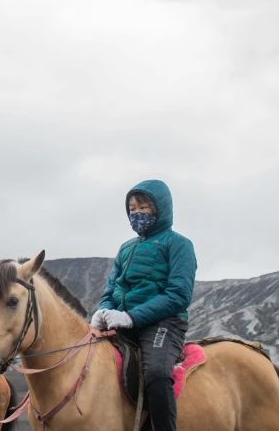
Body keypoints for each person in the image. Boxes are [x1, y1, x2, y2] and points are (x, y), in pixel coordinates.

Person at [91, 180, 197, 431]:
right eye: (131, 208)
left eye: (142, 207)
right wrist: (103, 311)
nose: (136, 213)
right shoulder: (126, 248)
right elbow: (112, 289)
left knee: (157, 375)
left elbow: (179, 295)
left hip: (164, 323)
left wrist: (131, 317)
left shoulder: (179, 244)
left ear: (160, 208)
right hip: (123, 321)